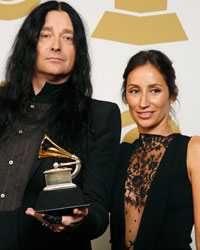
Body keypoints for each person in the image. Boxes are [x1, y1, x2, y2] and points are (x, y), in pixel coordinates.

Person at [0, 1, 121, 250]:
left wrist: (79, 219)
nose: (56, 45)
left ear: (79, 50)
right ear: (29, 44)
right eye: (46, 35)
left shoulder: (101, 115)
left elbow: (97, 213)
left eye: (68, 38)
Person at [110, 50, 200, 250]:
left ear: (173, 94)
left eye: (155, 90)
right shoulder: (120, 154)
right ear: (126, 97)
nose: (143, 102)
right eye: (134, 91)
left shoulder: (193, 150)